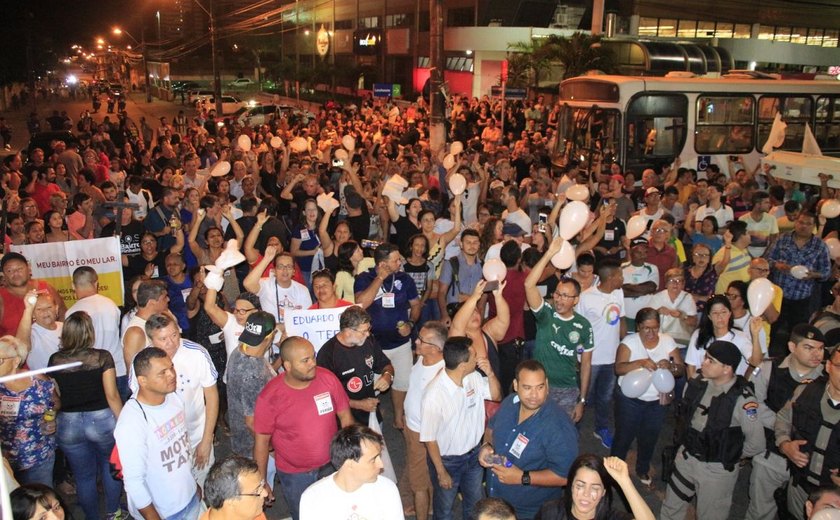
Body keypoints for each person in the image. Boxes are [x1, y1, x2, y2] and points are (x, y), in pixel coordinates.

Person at [660, 341, 766, 520]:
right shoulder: (697, 383)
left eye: (711, 360)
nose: (704, 362)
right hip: (686, 458)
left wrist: (728, 453)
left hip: (716, 470)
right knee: (671, 509)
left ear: (727, 368)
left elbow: (756, 444)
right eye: (706, 357)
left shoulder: (742, 399)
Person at [253, 336, 354, 520]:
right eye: (305, 360)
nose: (313, 363)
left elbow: (346, 417)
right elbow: (261, 441)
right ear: (287, 365)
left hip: (332, 466)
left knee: (336, 512)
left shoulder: (327, 378)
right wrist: (261, 481)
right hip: (295, 475)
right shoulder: (270, 397)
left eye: (313, 357)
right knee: (304, 515)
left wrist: (350, 457)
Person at [479, 360, 578, 519]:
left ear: (546, 384)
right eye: (527, 388)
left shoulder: (558, 426)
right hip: (496, 501)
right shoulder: (510, 403)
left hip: (529, 511)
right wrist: (487, 445)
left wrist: (522, 477)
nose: (534, 395)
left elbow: (567, 476)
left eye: (540, 387)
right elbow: (491, 427)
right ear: (516, 385)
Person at [48, 312, 124, 520]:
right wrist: (124, 422)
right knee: (110, 469)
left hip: (69, 423)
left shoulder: (55, 359)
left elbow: (56, 396)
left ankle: (91, 517)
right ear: (89, 332)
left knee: (83, 476)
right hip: (101, 420)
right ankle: (113, 512)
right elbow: (112, 395)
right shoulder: (102, 357)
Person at [745, 324, 825, 520]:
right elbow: (751, 403)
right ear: (792, 347)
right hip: (771, 454)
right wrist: (782, 426)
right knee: (760, 510)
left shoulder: (828, 376)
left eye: (821, 348)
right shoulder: (768, 367)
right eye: (808, 347)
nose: (817, 354)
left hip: (807, 461)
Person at [115, 347, 202, 520]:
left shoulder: (173, 397)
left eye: (171, 367)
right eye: (162, 373)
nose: (172, 374)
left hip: (190, 497)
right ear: (143, 381)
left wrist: (193, 485)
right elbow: (134, 483)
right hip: (164, 512)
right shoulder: (132, 421)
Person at [421, 336, 502, 520]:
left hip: (474, 455)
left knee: (475, 507)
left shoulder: (473, 377)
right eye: (473, 355)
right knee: (444, 511)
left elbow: (496, 396)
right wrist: (441, 472)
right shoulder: (434, 395)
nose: (478, 357)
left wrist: (490, 374)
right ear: (463, 364)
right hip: (448, 462)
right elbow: (429, 438)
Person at [137, 313, 219, 488]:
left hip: (197, 436)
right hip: (165, 446)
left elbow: (211, 396)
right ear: (150, 339)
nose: (171, 343)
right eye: (163, 338)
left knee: (206, 488)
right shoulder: (142, 363)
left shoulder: (197, 353)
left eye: (174, 335)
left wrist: (206, 440)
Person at [611, 308, 684, 486]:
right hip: (629, 401)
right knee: (624, 436)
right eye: (646, 328)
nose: (651, 333)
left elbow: (680, 369)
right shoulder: (629, 342)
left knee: (650, 436)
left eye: (655, 328)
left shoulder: (667, 341)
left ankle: (642, 469)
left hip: (656, 402)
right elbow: (619, 368)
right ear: (638, 327)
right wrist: (640, 363)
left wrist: (671, 366)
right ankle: (613, 470)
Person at [525, 237, 593, 421]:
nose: (559, 299)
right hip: (539, 386)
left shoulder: (584, 326)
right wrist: (549, 254)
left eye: (565, 296)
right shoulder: (546, 314)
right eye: (557, 294)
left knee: (561, 437)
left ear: (576, 300)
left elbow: (586, 364)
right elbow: (528, 284)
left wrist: (582, 400)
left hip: (567, 390)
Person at [355, 243, 421, 430]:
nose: (400, 262)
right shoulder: (364, 278)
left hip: (400, 344)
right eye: (396, 260)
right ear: (383, 264)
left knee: (402, 382)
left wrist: (410, 324)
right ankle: (373, 419)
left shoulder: (405, 279)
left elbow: (415, 305)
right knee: (373, 385)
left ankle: (399, 416)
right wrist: (380, 278)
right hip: (372, 345)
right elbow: (360, 303)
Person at [774, 346, 840, 520]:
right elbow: (783, 417)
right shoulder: (806, 391)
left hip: (835, 499)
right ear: (828, 367)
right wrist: (784, 444)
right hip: (799, 487)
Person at [299, 425, 404, 519]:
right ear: (349, 464)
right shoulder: (313, 498)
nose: (381, 465)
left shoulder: (387, 489)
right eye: (373, 459)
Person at [766, 211, 831, 358]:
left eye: (808, 224)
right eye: (801, 222)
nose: (803, 226)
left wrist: (813, 275)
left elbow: (826, 272)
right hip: (778, 296)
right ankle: (767, 358)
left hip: (802, 298)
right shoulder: (783, 239)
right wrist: (777, 265)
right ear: (796, 222)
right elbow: (767, 259)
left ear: (813, 226)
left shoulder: (820, 246)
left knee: (797, 333)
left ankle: (790, 361)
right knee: (772, 329)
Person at [576, 258, 626, 449]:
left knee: (605, 397)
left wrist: (623, 347)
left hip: (612, 358)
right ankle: (574, 428)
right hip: (591, 359)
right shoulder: (586, 297)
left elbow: (621, 320)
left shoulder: (619, 293)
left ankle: (601, 428)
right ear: (611, 277)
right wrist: (579, 356)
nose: (623, 278)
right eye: (620, 275)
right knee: (583, 396)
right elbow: (578, 328)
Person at [316, 306, 394, 424]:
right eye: (364, 331)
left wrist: (387, 376)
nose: (368, 334)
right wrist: (359, 404)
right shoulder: (327, 354)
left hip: (372, 414)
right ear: (348, 331)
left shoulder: (369, 341)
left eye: (369, 329)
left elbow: (386, 365)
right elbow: (325, 396)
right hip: (345, 420)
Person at [403, 321, 447, 520]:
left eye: (422, 340)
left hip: (425, 434)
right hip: (412, 428)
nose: (417, 341)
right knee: (422, 474)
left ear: (436, 349)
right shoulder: (421, 359)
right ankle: (428, 507)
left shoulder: (444, 373)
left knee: (418, 483)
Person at [0, 336, 58, 487]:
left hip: (38, 455)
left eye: (0, 360)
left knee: (41, 499)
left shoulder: (37, 380)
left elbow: (55, 403)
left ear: (16, 360)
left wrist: (49, 420)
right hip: (5, 461)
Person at [65, 266, 127, 399]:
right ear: (96, 283)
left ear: (73, 285)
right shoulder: (111, 305)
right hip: (119, 369)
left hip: (92, 374)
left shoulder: (71, 313)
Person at [534, 455, 655, 520]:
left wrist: (625, 482)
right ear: (570, 486)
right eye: (580, 485)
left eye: (595, 488)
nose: (586, 494)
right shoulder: (550, 512)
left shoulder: (611, 517)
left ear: (603, 492)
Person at [225, 311, 277, 460]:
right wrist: (272, 449)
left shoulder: (240, 350)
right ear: (271, 336)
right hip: (254, 447)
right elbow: (251, 422)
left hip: (241, 438)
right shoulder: (252, 371)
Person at [684, 294, 756, 379]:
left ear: (729, 314)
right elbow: (691, 367)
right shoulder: (699, 334)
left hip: (730, 388)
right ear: (709, 316)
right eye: (715, 313)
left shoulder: (740, 337)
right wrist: (693, 387)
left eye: (723, 312)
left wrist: (755, 335)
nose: (719, 317)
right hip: (703, 386)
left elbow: (755, 362)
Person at [244, 246, 312, 330]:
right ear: (274, 271)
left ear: (294, 271)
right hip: (270, 335)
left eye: (289, 266)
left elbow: (307, 320)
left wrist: (283, 327)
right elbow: (248, 284)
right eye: (280, 266)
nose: (285, 270)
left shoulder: (303, 290)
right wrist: (266, 259)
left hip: (294, 335)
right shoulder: (266, 284)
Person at [0, 253, 65, 337]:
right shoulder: (1, 298)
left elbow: (62, 314)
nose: (15, 273)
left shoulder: (45, 287)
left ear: (29, 269)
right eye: (9, 270)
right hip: (17, 348)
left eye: (19, 269)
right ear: (4, 274)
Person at [121, 279, 170, 372]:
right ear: (152, 303)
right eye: (164, 297)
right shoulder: (135, 332)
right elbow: (132, 372)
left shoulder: (161, 318)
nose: (168, 299)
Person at [202, 456, 269, 520]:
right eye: (256, 491)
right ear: (231, 501)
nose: (265, 493)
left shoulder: (252, 513)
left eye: (261, 485)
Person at [621, 237, 659, 331]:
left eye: (645, 252)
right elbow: (617, 290)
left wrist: (626, 288)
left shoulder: (652, 268)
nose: (643, 255)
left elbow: (650, 287)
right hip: (625, 316)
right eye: (639, 252)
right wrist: (642, 290)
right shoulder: (622, 267)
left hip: (645, 318)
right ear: (631, 252)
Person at [712, 220, 752, 294]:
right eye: (748, 233)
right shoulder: (723, 253)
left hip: (740, 297)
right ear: (741, 236)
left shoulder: (744, 250)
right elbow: (716, 272)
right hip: (727, 298)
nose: (750, 236)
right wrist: (728, 244)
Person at [684, 243, 718, 315]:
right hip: (685, 311)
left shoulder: (713, 272)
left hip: (705, 312)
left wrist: (698, 297)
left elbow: (713, 298)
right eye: (697, 255)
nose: (701, 258)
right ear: (692, 257)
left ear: (709, 258)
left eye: (705, 255)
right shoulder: (684, 272)